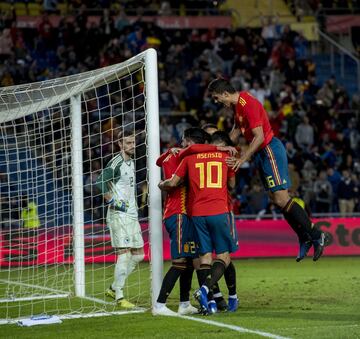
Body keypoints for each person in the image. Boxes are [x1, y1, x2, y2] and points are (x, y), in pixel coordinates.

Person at [207, 78, 329, 262]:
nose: (216, 102)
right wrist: (214, 149)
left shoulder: (248, 103)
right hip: (262, 154)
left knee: (281, 197)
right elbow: (235, 132)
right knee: (275, 199)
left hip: (269, 149)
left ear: (225, 94)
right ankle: (304, 236)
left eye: (216, 98)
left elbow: (259, 136)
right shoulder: (238, 107)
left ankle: (316, 234)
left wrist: (242, 159)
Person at [154, 128, 237, 315]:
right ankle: (160, 304)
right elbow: (173, 180)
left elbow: (160, 160)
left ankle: (188, 303)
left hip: (192, 214)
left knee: (195, 260)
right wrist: (161, 184)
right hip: (180, 213)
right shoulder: (184, 156)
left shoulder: (178, 155)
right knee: (182, 262)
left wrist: (168, 152)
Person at [96, 130, 144, 309]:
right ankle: (119, 296)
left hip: (132, 215)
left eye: (133, 142)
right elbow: (99, 182)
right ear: (120, 144)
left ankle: (113, 287)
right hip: (119, 215)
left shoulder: (131, 162)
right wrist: (115, 202)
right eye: (128, 143)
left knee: (139, 255)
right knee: (124, 255)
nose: (132, 145)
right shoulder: (116, 162)